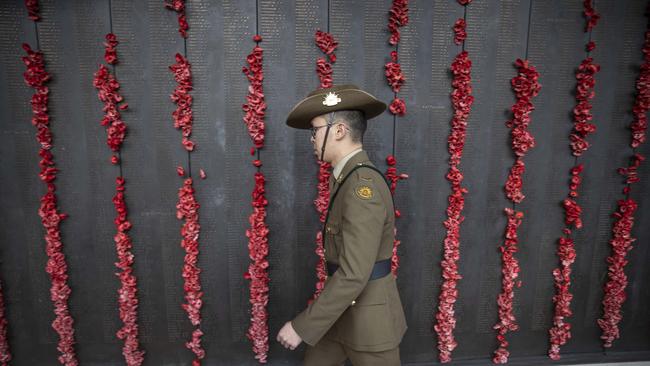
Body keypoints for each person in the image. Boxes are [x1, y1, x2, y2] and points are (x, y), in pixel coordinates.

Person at [277, 84, 407, 366]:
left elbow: (354, 273)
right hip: (340, 311)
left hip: (370, 322)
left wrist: (301, 326)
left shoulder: (362, 188)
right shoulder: (346, 178)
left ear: (338, 131)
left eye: (316, 130)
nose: (312, 139)